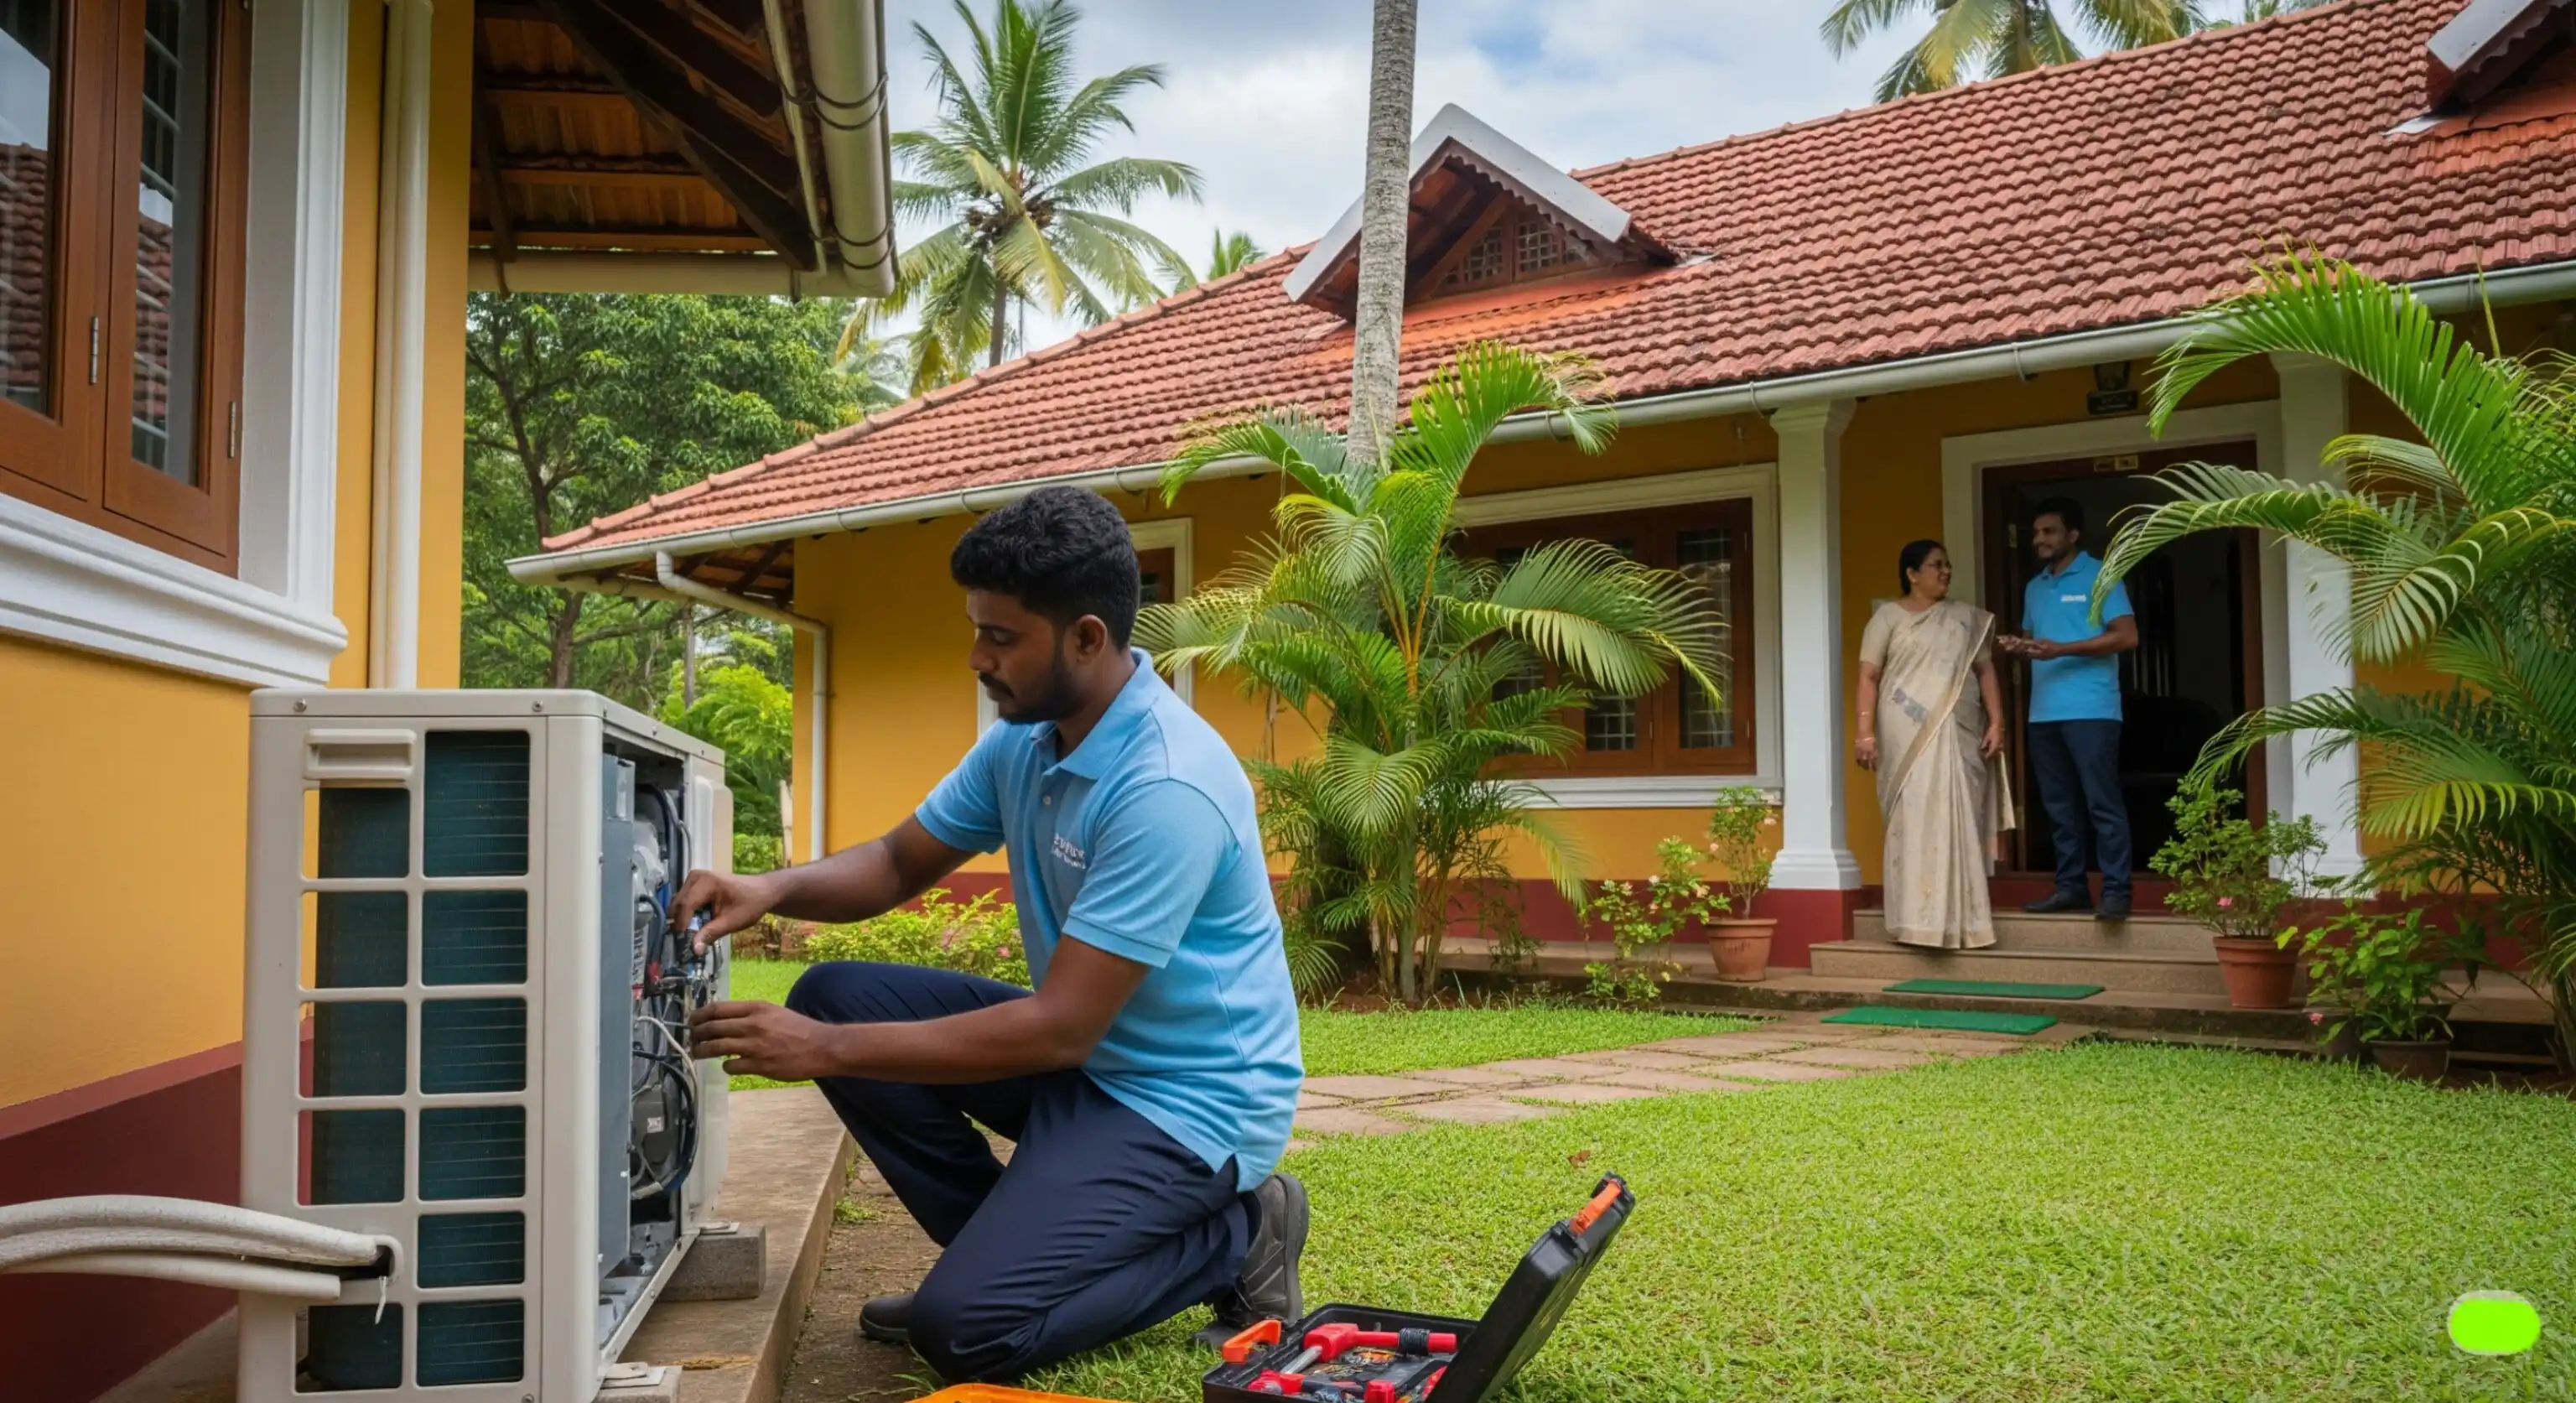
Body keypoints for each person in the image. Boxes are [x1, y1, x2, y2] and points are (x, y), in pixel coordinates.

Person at [673, 486, 1306, 1384]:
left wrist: (823, 1049)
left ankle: (1238, 1234)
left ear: (1086, 637)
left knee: (966, 1331)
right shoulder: (1030, 736)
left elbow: (1060, 1027)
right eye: (978, 630)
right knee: (835, 993)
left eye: (1001, 637)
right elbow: (898, 861)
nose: (977, 656)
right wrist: (766, 888)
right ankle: (1000, 1260)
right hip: (1092, 1066)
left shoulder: (1166, 785)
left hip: (1185, 1102)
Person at [1855, 541, 2012, 948]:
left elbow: (1985, 670)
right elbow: (1869, 677)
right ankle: (1914, 920)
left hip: (1959, 729)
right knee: (1914, 814)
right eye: (1936, 565)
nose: (1945, 572)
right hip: (1904, 731)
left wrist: (1997, 721)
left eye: (1948, 564)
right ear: (1912, 573)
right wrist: (1865, 733)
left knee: (1958, 815)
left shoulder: (1963, 619)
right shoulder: (1886, 618)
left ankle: (1965, 920)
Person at [1996, 497, 2139, 921]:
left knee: (2101, 803)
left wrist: (2063, 649)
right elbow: (2033, 641)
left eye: (2049, 532)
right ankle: (2071, 887)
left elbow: (2127, 636)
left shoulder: (2101, 575)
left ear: (2073, 535)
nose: (2039, 539)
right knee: (2058, 807)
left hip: (2092, 710)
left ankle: (2116, 892)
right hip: (2043, 713)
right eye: (2036, 532)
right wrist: (2016, 646)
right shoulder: (2035, 586)